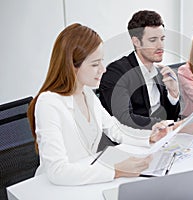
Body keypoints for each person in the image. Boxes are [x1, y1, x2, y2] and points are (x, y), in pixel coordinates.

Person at [27, 23, 175, 186]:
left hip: (87, 174)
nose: (103, 70)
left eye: (101, 62)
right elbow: (58, 171)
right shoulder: (49, 103)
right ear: (72, 66)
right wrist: (117, 171)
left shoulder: (87, 94)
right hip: (57, 187)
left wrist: (149, 137)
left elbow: (115, 130)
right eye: (95, 64)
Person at [99, 10, 180, 130]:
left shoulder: (160, 73)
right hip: (131, 141)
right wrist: (164, 125)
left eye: (162, 39)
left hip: (159, 138)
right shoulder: (116, 73)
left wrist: (173, 93)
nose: (160, 46)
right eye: (153, 40)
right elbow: (124, 118)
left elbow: (171, 117)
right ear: (136, 42)